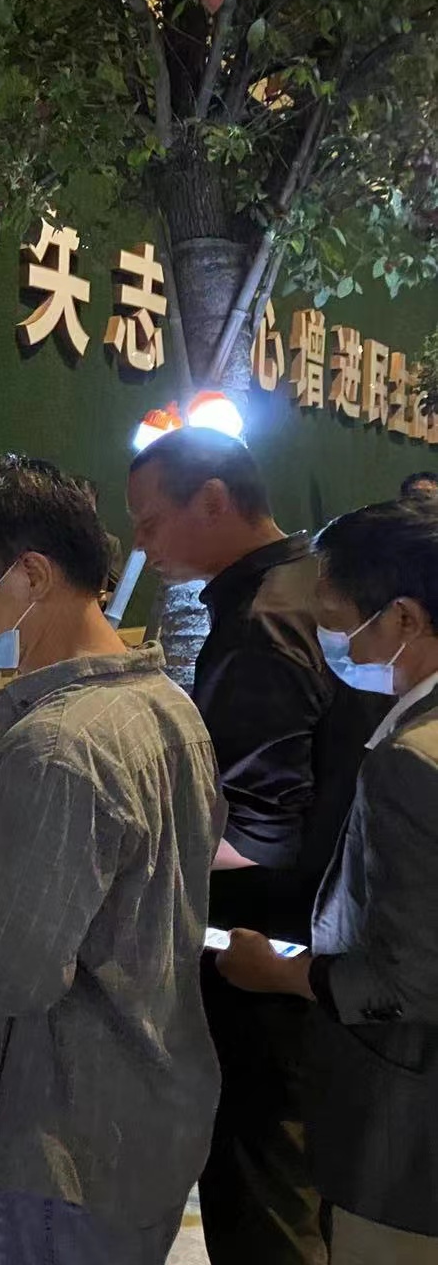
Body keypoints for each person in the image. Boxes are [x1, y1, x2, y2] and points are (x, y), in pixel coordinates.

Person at [0, 455, 222, 1265]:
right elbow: (137, 878)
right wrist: (2, 875)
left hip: (62, 1140)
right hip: (150, 1111)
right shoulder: (167, 705)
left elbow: (7, 974)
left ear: (30, 575)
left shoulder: (56, 743)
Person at [128, 427, 387, 1265]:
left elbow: (253, 828)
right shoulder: (315, 586)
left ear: (213, 499)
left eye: (150, 519)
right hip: (338, 935)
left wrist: (126, 855)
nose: (143, 544)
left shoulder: (262, 619)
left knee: (261, 1188)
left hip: (267, 948)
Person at [219, 499, 438, 1261]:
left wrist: (281, 973)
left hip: (407, 1136)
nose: (329, 643)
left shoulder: (411, 762)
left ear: (404, 617)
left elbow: (407, 982)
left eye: (337, 621)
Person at [77, 476, 126, 595]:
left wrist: (99, 598)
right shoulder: (54, 538)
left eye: (88, 502)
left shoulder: (109, 544)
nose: (82, 509)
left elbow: (117, 593)